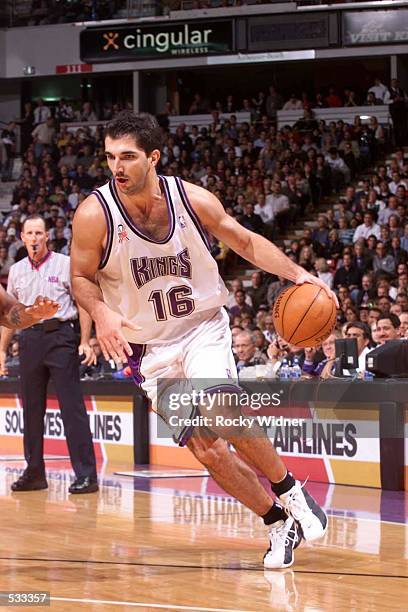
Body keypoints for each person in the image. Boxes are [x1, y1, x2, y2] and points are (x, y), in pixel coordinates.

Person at [70, 111, 338, 569]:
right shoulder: (95, 214)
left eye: (128, 156)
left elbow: (245, 241)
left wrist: (298, 275)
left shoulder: (190, 199)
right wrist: (100, 313)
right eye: (111, 156)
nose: (117, 166)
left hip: (200, 326)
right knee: (207, 449)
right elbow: (79, 276)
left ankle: (291, 490)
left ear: (153, 157)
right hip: (146, 349)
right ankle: (277, 522)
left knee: (218, 404)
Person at [0, 215, 98, 494]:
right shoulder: (16, 270)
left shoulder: (65, 264)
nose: (34, 238)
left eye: (39, 233)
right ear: (22, 237)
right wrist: (2, 351)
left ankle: (86, 475)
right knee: (31, 411)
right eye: (29, 233)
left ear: (47, 236)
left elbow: (83, 303)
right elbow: (10, 314)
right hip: (29, 339)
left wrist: (85, 341)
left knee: (72, 408)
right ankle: (34, 474)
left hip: (60, 337)